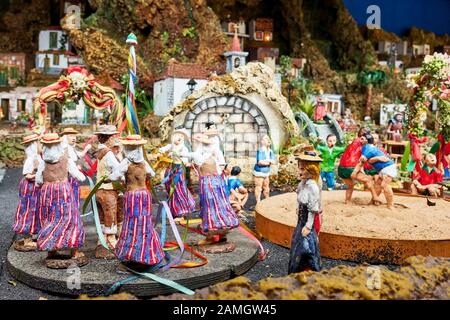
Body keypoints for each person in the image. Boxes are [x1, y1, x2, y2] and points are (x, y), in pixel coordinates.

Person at [109, 135, 165, 268]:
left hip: (133, 196)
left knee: (132, 224)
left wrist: (109, 178)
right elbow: (151, 174)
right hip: (144, 195)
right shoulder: (144, 163)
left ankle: (132, 254)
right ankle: (147, 253)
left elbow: (115, 176)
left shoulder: (126, 162)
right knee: (145, 223)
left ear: (127, 149)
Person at [35, 133, 87, 268]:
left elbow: (38, 181)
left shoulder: (42, 162)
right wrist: (82, 176)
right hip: (63, 191)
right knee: (70, 218)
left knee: (50, 219)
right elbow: (78, 176)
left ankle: (51, 250)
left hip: (47, 192)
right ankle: (74, 250)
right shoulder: (66, 159)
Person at [181, 140, 239, 246]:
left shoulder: (201, 156)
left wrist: (177, 154)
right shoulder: (213, 158)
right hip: (217, 185)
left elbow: (187, 155)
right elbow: (220, 170)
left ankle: (211, 237)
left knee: (209, 209)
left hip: (209, 187)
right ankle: (222, 233)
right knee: (219, 209)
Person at [288, 150, 322, 274]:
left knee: (306, 247)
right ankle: (296, 270)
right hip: (300, 221)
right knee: (298, 245)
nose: (300, 171)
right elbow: (299, 197)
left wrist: (308, 226)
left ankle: (309, 270)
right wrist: (298, 206)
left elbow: (313, 209)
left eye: (303, 169)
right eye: (299, 168)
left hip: (307, 221)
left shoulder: (313, 187)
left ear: (312, 170)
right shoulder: (303, 184)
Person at [93, 125, 121, 259]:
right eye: (113, 136)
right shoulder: (108, 154)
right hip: (108, 189)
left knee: (102, 215)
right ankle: (110, 239)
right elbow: (118, 170)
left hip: (98, 189)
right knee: (110, 213)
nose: (115, 139)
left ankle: (102, 238)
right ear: (108, 139)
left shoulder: (100, 152)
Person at [12, 134, 42, 252]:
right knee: (29, 210)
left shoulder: (38, 158)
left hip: (37, 187)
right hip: (30, 187)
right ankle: (27, 237)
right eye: (39, 143)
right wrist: (38, 176)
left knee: (37, 209)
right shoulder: (31, 159)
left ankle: (35, 233)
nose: (41, 146)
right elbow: (27, 175)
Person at [158, 128, 196, 218]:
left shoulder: (183, 148)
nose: (177, 138)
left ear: (182, 138)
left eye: (179, 137)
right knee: (169, 186)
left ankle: (182, 208)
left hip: (178, 169)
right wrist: (160, 152)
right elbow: (164, 148)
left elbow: (185, 159)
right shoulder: (172, 145)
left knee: (178, 187)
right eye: (175, 136)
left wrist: (184, 161)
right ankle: (173, 208)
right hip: (172, 168)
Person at [354, 133, 397, 209]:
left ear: (366, 141)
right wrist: (373, 159)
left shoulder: (368, 148)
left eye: (362, 139)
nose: (359, 140)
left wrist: (355, 172)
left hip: (388, 167)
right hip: (382, 169)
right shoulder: (366, 147)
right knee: (377, 185)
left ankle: (390, 205)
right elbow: (367, 159)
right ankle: (374, 201)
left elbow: (362, 161)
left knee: (384, 185)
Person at [337, 127, 376, 204]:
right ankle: (376, 198)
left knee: (351, 185)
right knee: (368, 180)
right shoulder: (362, 142)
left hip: (341, 169)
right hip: (350, 168)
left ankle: (347, 201)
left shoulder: (354, 143)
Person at [61, 127, 92, 210]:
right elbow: (68, 163)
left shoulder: (72, 148)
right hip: (67, 177)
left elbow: (79, 155)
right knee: (69, 197)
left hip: (73, 177)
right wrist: (76, 170)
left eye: (74, 136)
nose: (74, 138)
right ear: (65, 137)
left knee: (75, 195)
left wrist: (86, 149)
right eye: (71, 136)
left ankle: (74, 212)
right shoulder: (64, 149)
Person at [253, 135, 276, 204]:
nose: (267, 140)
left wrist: (267, 161)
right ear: (262, 141)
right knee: (259, 187)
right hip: (259, 172)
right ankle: (258, 202)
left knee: (266, 187)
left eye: (267, 139)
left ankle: (267, 200)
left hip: (266, 172)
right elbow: (260, 162)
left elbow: (274, 161)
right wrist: (269, 162)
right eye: (265, 139)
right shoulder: (260, 150)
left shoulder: (270, 151)